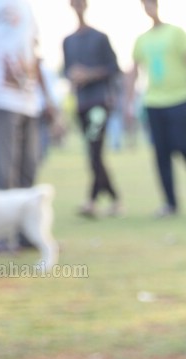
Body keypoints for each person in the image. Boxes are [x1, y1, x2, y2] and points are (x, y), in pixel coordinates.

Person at [0, 0, 57, 249]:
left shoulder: (27, 5)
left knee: (28, 170)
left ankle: (27, 234)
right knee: (3, 173)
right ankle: (0, 240)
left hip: (29, 100)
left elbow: (34, 52)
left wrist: (46, 97)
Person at [127, 0, 186, 218]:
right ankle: (170, 203)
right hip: (154, 102)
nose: (148, 8)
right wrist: (129, 102)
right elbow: (133, 70)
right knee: (161, 154)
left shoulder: (176, 33)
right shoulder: (141, 39)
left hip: (180, 99)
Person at [63, 0, 122, 218]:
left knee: (95, 151)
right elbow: (66, 70)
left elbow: (114, 69)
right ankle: (115, 199)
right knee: (93, 151)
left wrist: (89, 74)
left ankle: (92, 200)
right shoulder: (68, 41)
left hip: (99, 103)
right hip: (81, 104)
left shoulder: (100, 37)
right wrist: (74, 76)